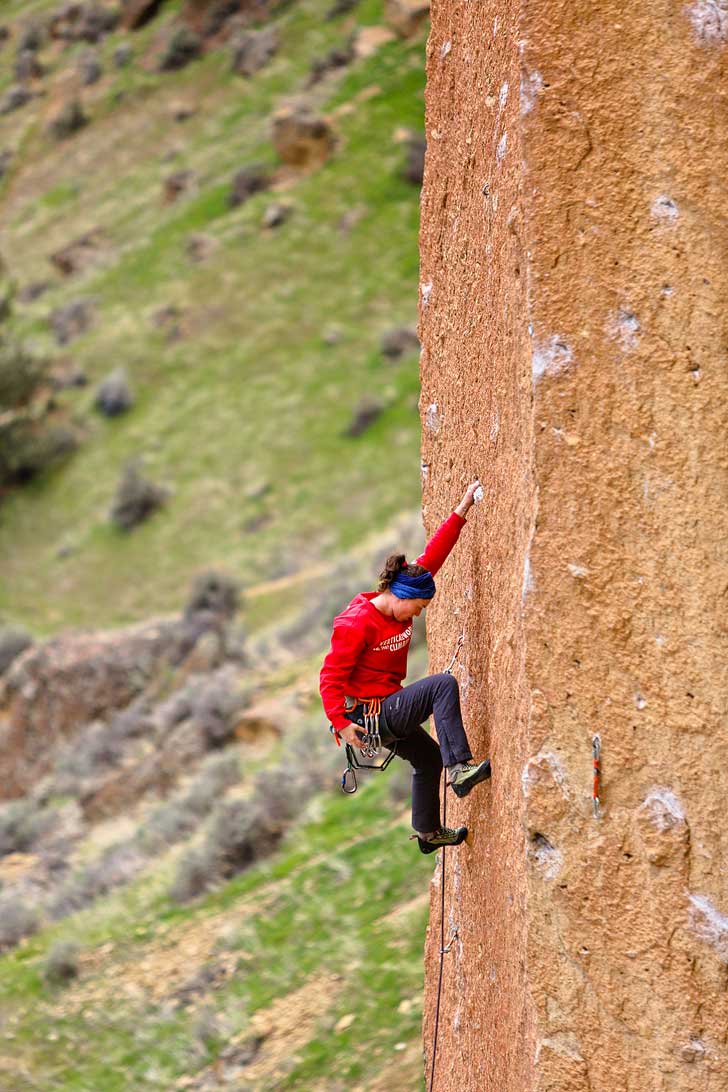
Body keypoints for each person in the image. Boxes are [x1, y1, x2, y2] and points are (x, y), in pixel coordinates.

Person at [319, 480, 491, 853]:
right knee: (442, 685)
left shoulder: (404, 593)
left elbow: (432, 558)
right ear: (399, 595)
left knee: (427, 759)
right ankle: (460, 768)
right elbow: (329, 678)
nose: (418, 614)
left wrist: (462, 511)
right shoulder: (357, 624)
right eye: (418, 608)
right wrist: (342, 724)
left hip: (387, 707)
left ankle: (428, 834)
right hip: (371, 715)